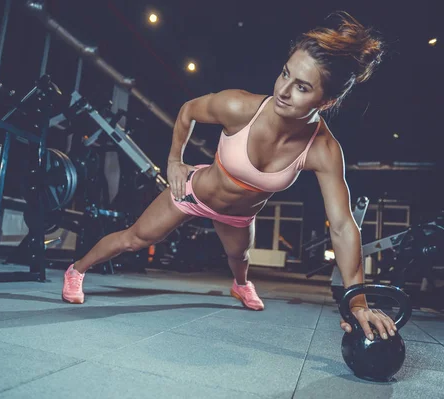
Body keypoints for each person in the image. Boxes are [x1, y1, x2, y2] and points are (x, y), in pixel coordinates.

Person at [63, 11, 397, 342]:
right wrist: (174, 161)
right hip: (194, 194)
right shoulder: (240, 107)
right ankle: (77, 269)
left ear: (326, 101)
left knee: (239, 257)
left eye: (302, 87)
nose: (283, 90)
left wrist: (358, 302)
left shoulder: (322, 150)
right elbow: (188, 110)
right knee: (135, 239)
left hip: (240, 216)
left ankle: (240, 285)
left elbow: (341, 225)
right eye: (284, 74)